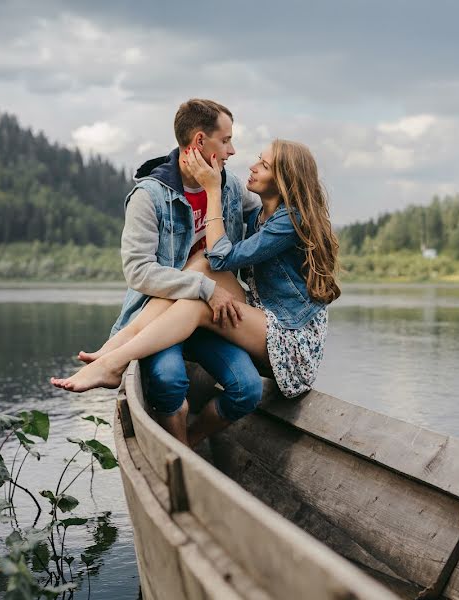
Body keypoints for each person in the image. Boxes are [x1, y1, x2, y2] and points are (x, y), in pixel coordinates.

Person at [51, 138, 342, 447]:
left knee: (202, 292)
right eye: (258, 159)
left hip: (291, 341)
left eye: (264, 165)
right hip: (265, 316)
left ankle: (117, 365)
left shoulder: (290, 220)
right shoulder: (260, 216)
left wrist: (213, 191)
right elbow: (212, 261)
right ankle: (119, 342)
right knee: (200, 265)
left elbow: (223, 256)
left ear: (284, 179)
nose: (251, 166)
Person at [53, 99, 264, 446]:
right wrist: (202, 287)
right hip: (159, 316)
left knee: (248, 389)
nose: (232, 150)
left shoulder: (229, 187)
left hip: (212, 314)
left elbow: (260, 220)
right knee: (168, 382)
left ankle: (188, 449)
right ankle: (176, 466)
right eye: (225, 140)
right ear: (199, 141)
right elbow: (139, 272)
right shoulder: (149, 196)